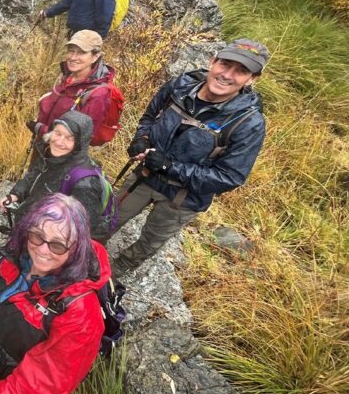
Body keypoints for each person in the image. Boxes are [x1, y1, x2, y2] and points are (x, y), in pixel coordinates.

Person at [111, 39, 270, 274]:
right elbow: (150, 116)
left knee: (147, 243)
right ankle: (77, 257)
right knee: (107, 219)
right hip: (143, 177)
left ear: (252, 79)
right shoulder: (181, 85)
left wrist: (169, 167)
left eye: (241, 71)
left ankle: (112, 274)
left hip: (182, 200)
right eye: (225, 64)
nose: (227, 75)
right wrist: (142, 140)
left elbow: (230, 177)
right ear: (213, 61)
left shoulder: (248, 123)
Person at [0, 193, 110, 394]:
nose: (43, 250)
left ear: (76, 248)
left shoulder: (81, 314)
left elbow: (47, 380)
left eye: (57, 245)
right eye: (37, 236)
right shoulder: (21, 253)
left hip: (15, 378)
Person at [1, 111, 108, 240]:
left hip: (46, 240)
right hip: (30, 221)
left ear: (80, 143)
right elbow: (34, 176)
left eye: (69, 138)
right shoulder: (49, 154)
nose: (59, 142)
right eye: (58, 133)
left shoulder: (85, 181)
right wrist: (15, 194)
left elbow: (82, 227)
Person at [31, 30, 118, 146]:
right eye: (71, 51)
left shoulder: (98, 94)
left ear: (95, 56)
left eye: (81, 52)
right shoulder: (67, 77)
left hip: (62, 158)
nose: (73, 57)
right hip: (43, 148)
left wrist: (41, 130)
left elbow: (80, 137)